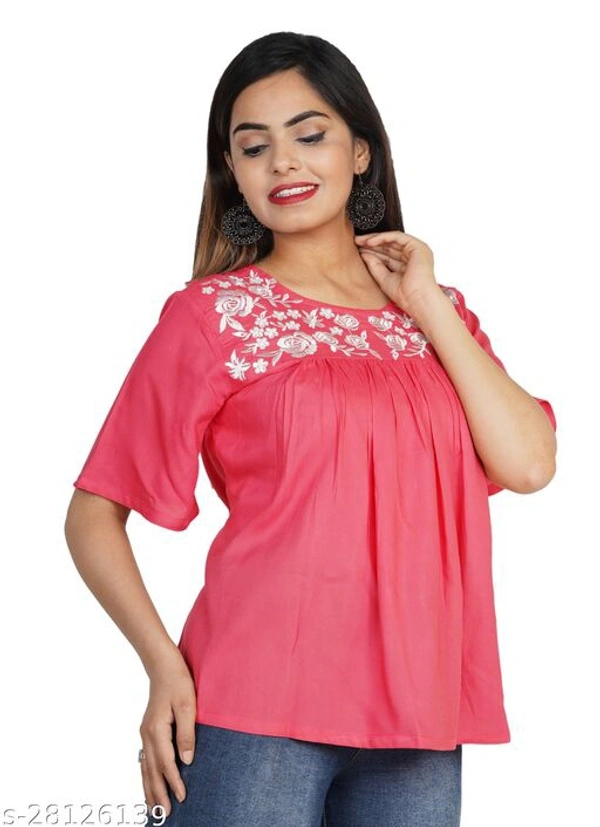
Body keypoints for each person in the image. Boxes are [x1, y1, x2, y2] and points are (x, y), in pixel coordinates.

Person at [64, 31, 558, 827]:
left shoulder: (438, 313)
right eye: (253, 146)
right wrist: (164, 665)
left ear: (361, 151)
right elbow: (94, 511)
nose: (283, 163)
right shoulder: (213, 315)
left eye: (310, 134)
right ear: (233, 173)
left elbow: (529, 464)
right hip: (253, 706)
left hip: (421, 714)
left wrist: (425, 303)